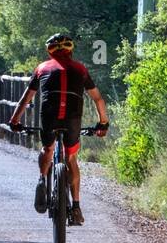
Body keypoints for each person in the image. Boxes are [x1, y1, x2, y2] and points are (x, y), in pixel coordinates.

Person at [8, 33, 109, 225]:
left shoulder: (42, 68)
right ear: (70, 50)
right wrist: (103, 123)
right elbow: (97, 98)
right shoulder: (81, 69)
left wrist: (15, 120)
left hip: (49, 117)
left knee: (48, 148)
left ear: (49, 51)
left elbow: (26, 99)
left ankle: (41, 179)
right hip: (73, 118)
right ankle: (77, 206)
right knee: (70, 157)